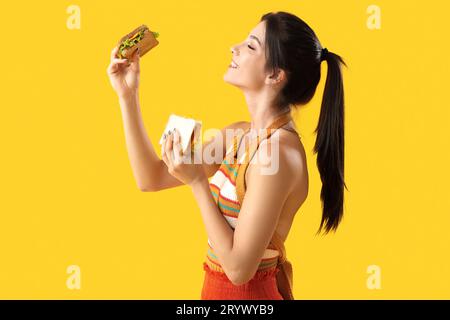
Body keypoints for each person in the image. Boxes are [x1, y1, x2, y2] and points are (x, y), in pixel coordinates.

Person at [106, 11, 348, 300]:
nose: (234, 48)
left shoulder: (279, 154)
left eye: (251, 45)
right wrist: (128, 95)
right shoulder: (239, 136)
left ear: (275, 74)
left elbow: (238, 269)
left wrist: (197, 183)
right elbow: (151, 177)